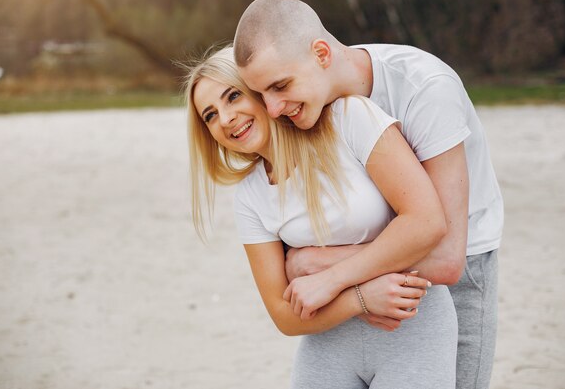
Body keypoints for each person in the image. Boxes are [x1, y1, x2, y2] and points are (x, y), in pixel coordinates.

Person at [234, 0, 503, 389]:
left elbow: (445, 257)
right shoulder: (314, 100)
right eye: (262, 95)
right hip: (377, 265)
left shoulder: (425, 89)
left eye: (280, 86)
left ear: (322, 53)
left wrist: (322, 268)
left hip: (460, 261)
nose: (272, 109)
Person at [183, 46, 457, 388]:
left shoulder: (349, 119)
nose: (225, 119)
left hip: (412, 327)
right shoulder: (250, 197)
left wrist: (328, 275)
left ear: (261, 91)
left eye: (233, 96)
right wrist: (360, 298)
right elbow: (284, 316)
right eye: (210, 115)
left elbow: (426, 222)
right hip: (327, 344)